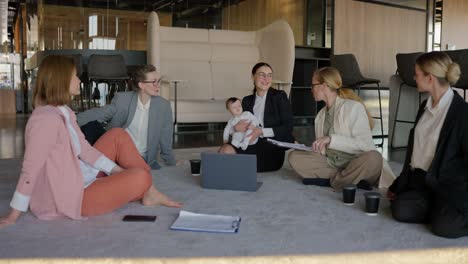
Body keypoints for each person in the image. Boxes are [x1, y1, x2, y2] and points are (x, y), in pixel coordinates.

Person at [0, 55, 181, 228]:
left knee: (117, 134)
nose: (79, 80)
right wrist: (14, 214)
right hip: (71, 197)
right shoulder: (45, 120)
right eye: (75, 76)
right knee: (141, 177)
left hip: (80, 175)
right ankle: (147, 189)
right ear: (61, 80)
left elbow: (85, 150)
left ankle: (150, 192)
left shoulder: (63, 111)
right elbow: (30, 170)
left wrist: (120, 171)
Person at [388, 51, 468, 238]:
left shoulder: (462, 113)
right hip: (423, 182)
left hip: (449, 185)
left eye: (417, 74)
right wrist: (398, 184)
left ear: (430, 78)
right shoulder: (425, 107)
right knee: (400, 209)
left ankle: (444, 211)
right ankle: (437, 209)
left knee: (445, 228)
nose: (414, 78)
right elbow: (417, 154)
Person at [288, 67, 395, 190]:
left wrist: (331, 139)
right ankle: (350, 180)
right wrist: (305, 148)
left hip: (356, 163)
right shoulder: (320, 116)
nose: (311, 89)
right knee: (294, 157)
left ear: (324, 86)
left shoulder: (353, 108)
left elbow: (364, 145)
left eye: (313, 85)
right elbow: (323, 153)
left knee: (374, 158)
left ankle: (335, 181)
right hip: (333, 164)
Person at [76, 64, 175, 170]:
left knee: (136, 171)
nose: (158, 85)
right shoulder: (123, 100)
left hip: (142, 158)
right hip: (118, 153)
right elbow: (100, 113)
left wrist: (170, 160)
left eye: (159, 81)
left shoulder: (163, 106)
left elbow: (166, 135)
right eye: (154, 82)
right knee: (91, 127)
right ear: (141, 85)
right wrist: (70, 119)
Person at [218, 62, 294, 172]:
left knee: (236, 165)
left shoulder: (279, 96)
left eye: (269, 75)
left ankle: (237, 166)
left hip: (270, 146)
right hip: (247, 142)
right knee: (224, 151)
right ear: (253, 76)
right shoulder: (247, 100)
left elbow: (288, 127)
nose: (266, 78)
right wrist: (235, 128)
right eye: (262, 74)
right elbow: (236, 122)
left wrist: (261, 131)